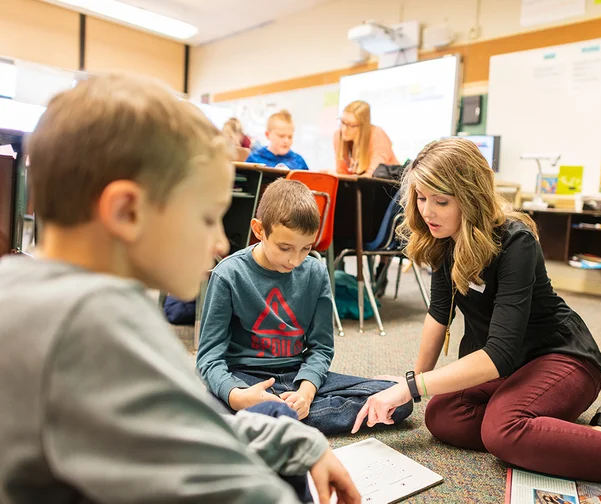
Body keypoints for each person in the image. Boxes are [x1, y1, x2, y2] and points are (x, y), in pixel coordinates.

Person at [0, 74, 360, 504]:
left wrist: (301, 441)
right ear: (127, 211)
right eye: (207, 217)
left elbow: (182, 422)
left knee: (276, 420)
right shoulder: (94, 320)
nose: (221, 244)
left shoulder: (35, 287)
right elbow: (224, 484)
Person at [351, 137, 601, 504]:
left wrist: (410, 387)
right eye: (421, 198)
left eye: (441, 201)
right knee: (442, 416)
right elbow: (438, 316)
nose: (427, 212)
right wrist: (410, 385)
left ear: (471, 196)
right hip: (509, 368)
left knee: (503, 431)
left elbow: (498, 355)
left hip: (562, 358)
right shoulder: (441, 240)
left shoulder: (515, 239)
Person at [196, 178, 413, 435]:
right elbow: (209, 357)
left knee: (399, 402)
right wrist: (237, 397)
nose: (295, 260)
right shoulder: (228, 274)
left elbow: (321, 348)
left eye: (306, 248)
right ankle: (274, 417)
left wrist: (307, 392)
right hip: (245, 377)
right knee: (206, 406)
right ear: (258, 229)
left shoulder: (316, 272)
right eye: (285, 247)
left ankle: (267, 421)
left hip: (299, 375)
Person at [333, 100, 398, 176]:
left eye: (352, 125)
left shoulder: (377, 134)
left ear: (363, 126)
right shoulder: (338, 135)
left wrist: (338, 176)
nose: (344, 129)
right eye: (342, 122)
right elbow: (342, 172)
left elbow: (370, 176)